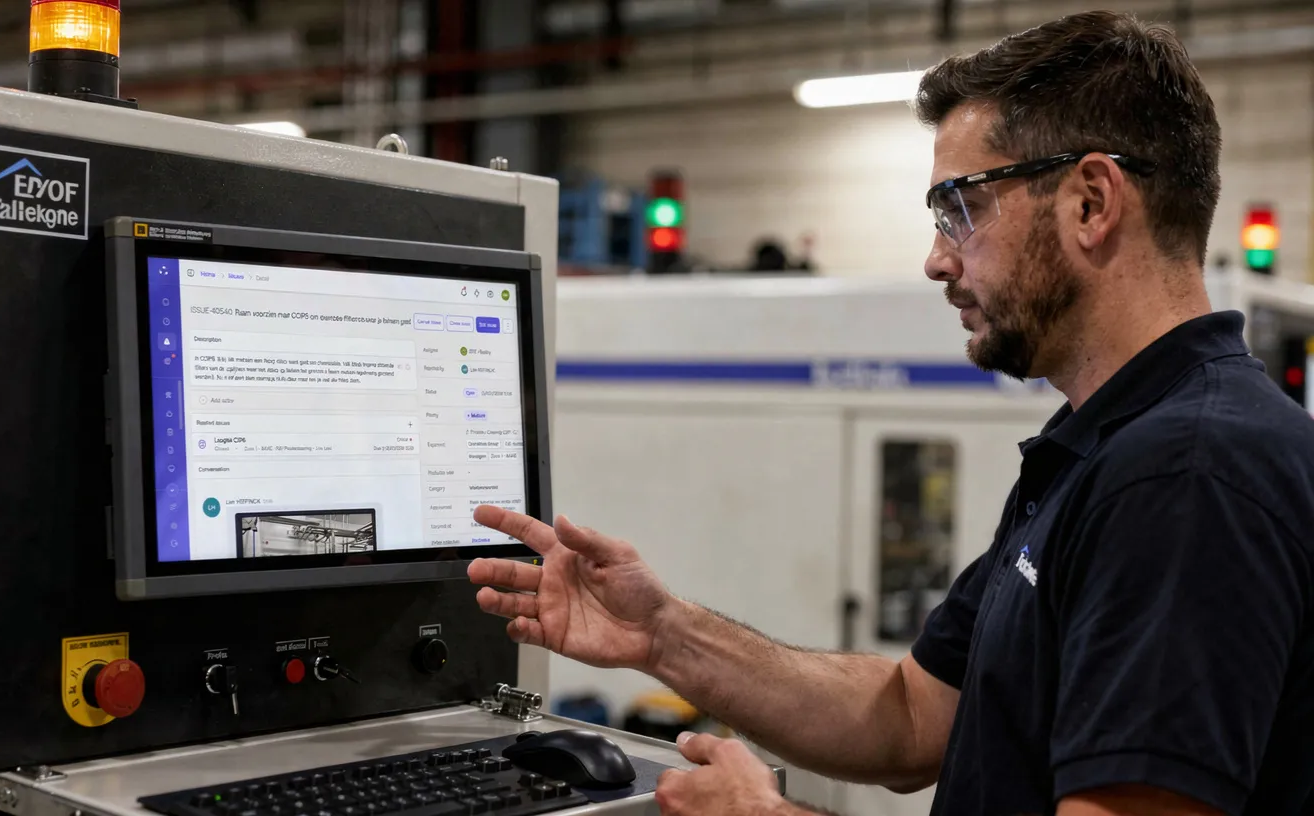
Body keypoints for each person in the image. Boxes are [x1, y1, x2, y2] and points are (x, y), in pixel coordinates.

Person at [470, 10, 1314, 816]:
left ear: (1091, 202)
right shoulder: (1097, 449)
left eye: (962, 208)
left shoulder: (1187, 474)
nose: (936, 258)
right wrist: (662, 633)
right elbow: (912, 715)